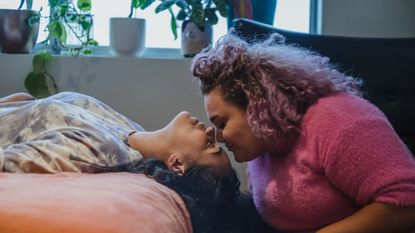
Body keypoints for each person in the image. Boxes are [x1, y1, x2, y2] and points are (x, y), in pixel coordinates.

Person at [191, 32, 415, 233]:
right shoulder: (264, 143)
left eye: (222, 124)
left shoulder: (340, 120)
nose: (219, 137)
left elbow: (407, 201)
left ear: (255, 105)